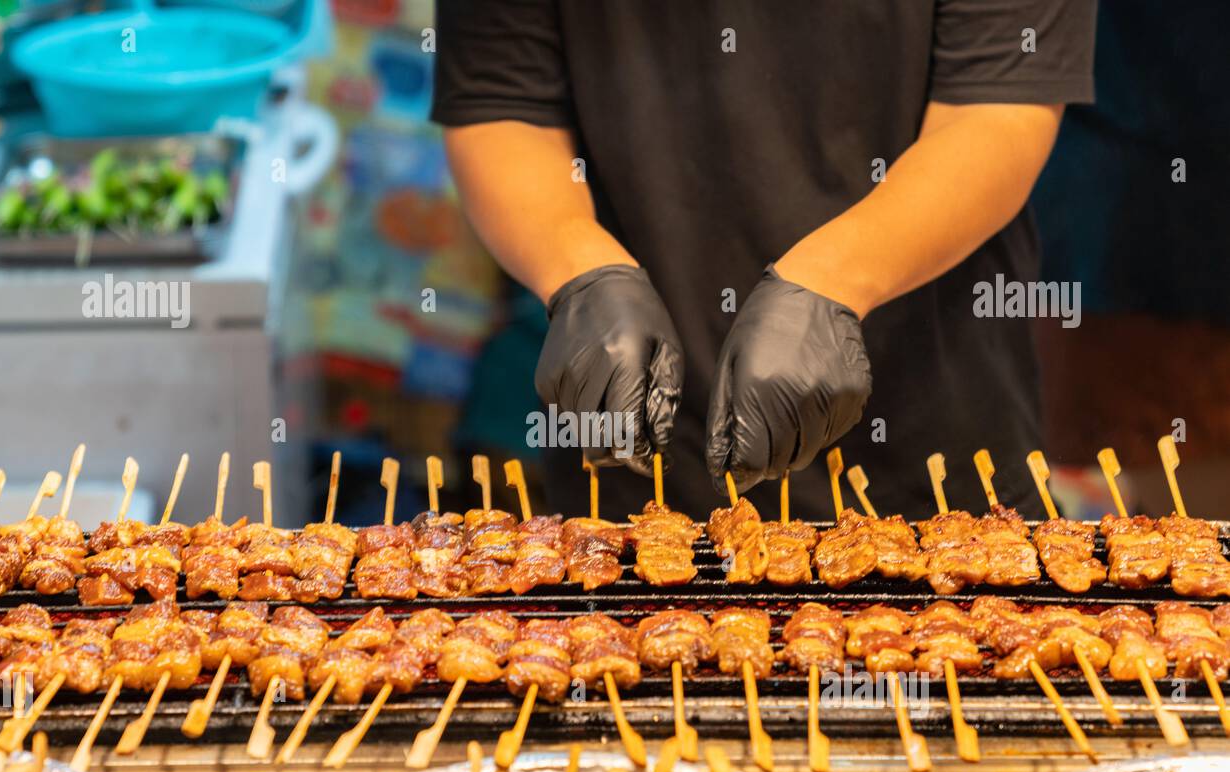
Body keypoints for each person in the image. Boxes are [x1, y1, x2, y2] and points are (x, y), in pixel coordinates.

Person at [432, 0, 1097, 521]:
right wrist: (576, 264)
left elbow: (997, 109)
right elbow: (503, 102)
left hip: (938, 462)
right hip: (639, 485)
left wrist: (834, 280)